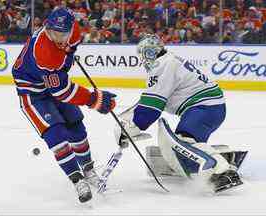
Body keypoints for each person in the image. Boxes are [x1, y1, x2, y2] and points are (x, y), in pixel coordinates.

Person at [114, 34, 244, 193]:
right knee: (189, 142)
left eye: (142, 54)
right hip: (210, 108)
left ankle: (223, 170)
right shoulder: (169, 61)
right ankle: (218, 156)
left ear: (148, 53)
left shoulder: (162, 66)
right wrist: (127, 121)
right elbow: (148, 101)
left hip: (204, 108)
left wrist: (131, 127)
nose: (142, 59)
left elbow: (151, 108)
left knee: (184, 142)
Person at [12, 7, 116, 203]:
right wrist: (95, 100)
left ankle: (88, 168)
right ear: (47, 28)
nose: (58, 37)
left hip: (53, 81)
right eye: (53, 33)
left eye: (62, 33)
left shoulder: (74, 31)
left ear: (71, 29)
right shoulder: (43, 50)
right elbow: (61, 91)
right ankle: (77, 179)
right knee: (56, 134)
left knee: (76, 126)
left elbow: (70, 49)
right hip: (33, 92)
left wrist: (68, 52)